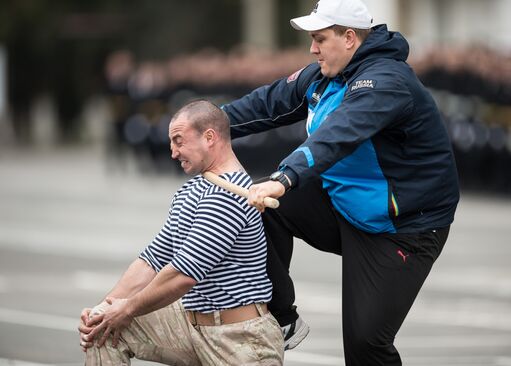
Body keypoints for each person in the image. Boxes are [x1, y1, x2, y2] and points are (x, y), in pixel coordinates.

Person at [222, 0, 460, 364]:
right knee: (257, 206)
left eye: (319, 39)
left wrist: (285, 177)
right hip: (344, 204)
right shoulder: (324, 74)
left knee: (366, 344)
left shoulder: (386, 81)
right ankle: (282, 319)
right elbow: (267, 103)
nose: (312, 49)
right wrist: (204, 125)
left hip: (402, 227)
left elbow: (338, 133)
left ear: (349, 38)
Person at [78, 100, 284, 365]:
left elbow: (183, 274)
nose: (173, 152)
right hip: (190, 324)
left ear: (209, 137)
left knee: (115, 319)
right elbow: (152, 259)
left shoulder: (233, 193)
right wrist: (107, 306)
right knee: (102, 328)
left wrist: (126, 309)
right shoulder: (190, 190)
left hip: (239, 337)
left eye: (179, 140)